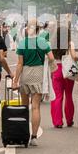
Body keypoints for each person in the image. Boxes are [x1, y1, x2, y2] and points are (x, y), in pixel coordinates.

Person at [13, 18, 56, 146]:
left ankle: (24, 133)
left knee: (25, 107)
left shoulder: (23, 43)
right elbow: (52, 58)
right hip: (38, 74)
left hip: (25, 74)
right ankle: (34, 137)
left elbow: (20, 64)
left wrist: (15, 81)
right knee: (36, 107)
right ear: (38, 29)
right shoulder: (43, 41)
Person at [50, 24, 78, 128]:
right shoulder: (69, 43)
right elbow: (74, 56)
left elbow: (50, 58)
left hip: (57, 70)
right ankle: (69, 120)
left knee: (58, 96)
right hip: (67, 70)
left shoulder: (53, 44)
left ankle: (57, 121)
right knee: (68, 95)